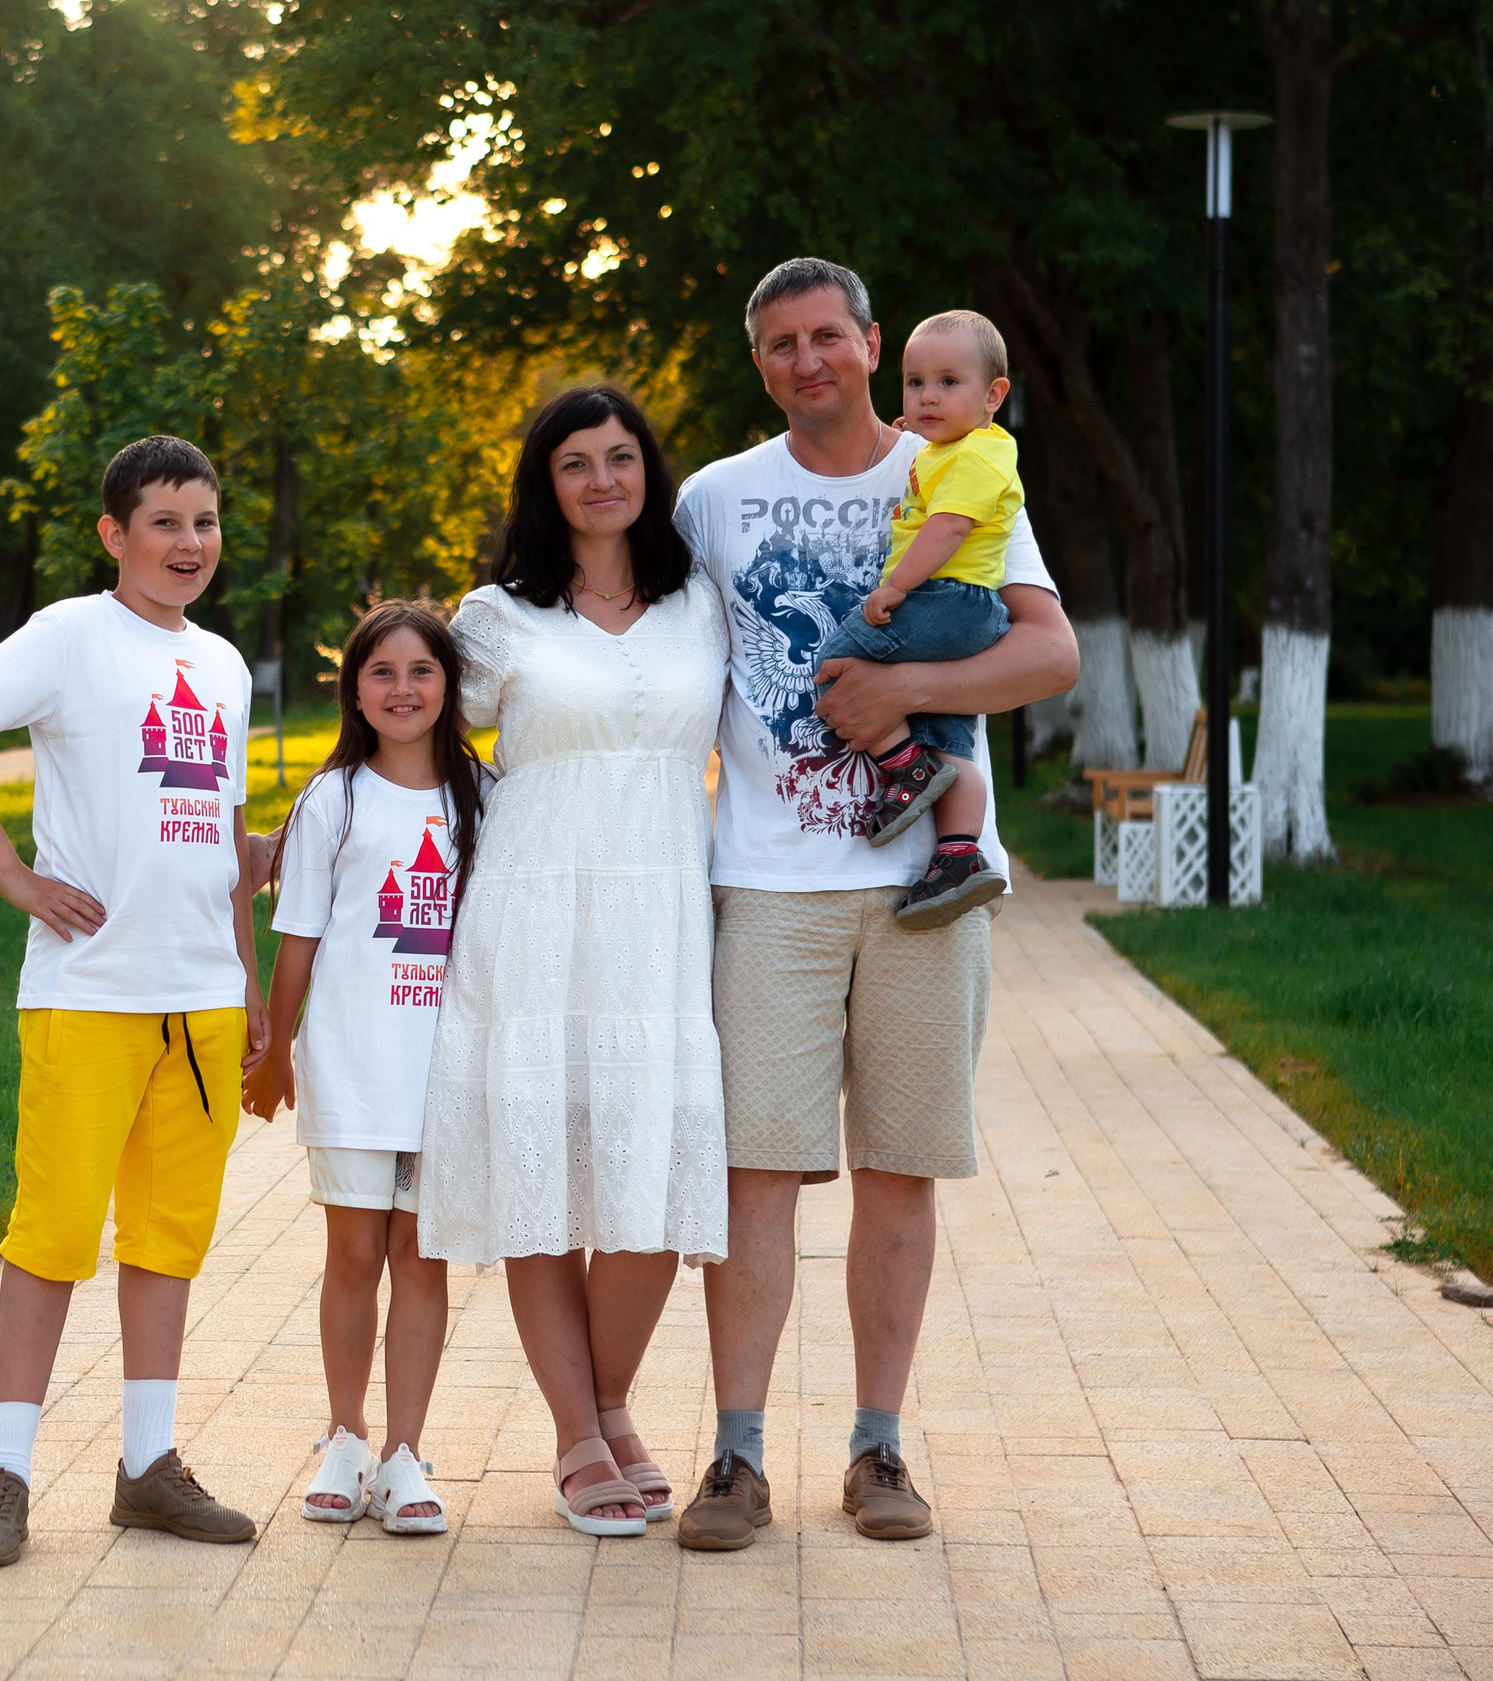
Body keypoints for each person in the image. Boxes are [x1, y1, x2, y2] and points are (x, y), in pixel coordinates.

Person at [673, 258, 1078, 1551]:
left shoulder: (953, 462)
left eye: (828, 338)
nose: (808, 362)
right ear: (762, 361)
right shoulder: (714, 500)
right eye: (782, 344)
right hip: (770, 881)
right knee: (753, 1178)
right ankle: (735, 1456)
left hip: (922, 882)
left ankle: (878, 1442)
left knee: (901, 1169)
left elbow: (1051, 648)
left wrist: (902, 697)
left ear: (871, 342)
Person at [0, 434, 270, 1569]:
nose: (187, 543)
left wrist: (251, 975)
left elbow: (215, 839)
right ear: (114, 534)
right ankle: (7, 1473)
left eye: (203, 522)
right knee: (53, 1238)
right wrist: (13, 875)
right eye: (162, 522)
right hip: (89, 996)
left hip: (200, 999)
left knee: (166, 1242)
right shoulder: (71, 634)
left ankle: (147, 1468)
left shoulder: (223, 666)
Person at [415, 384, 730, 1538]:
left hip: (660, 915)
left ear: (648, 468)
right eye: (575, 464)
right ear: (543, 486)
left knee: (644, 1176)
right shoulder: (496, 617)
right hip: (534, 911)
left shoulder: (702, 605)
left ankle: (609, 1402)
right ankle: (578, 1434)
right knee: (543, 1175)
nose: (603, 479)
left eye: (620, 456)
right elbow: (420, 741)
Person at [245, 601, 492, 1538]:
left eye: (421, 670)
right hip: (354, 1068)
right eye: (381, 672)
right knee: (353, 1254)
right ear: (355, 689)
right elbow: (299, 936)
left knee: (419, 1256)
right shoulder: (333, 798)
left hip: (449, 1074)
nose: (402, 688)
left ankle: (404, 1454)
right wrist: (276, 1049)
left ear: (449, 685)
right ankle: (345, 1437)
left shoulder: (481, 793)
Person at [809, 308, 1023, 928]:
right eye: (915, 383)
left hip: (948, 599)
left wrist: (894, 589)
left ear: (993, 395)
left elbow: (947, 528)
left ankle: (904, 770)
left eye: (948, 384)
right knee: (954, 739)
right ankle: (957, 858)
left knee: (837, 662)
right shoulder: (958, 450)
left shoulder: (979, 457)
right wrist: (924, 437)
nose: (928, 397)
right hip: (965, 612)